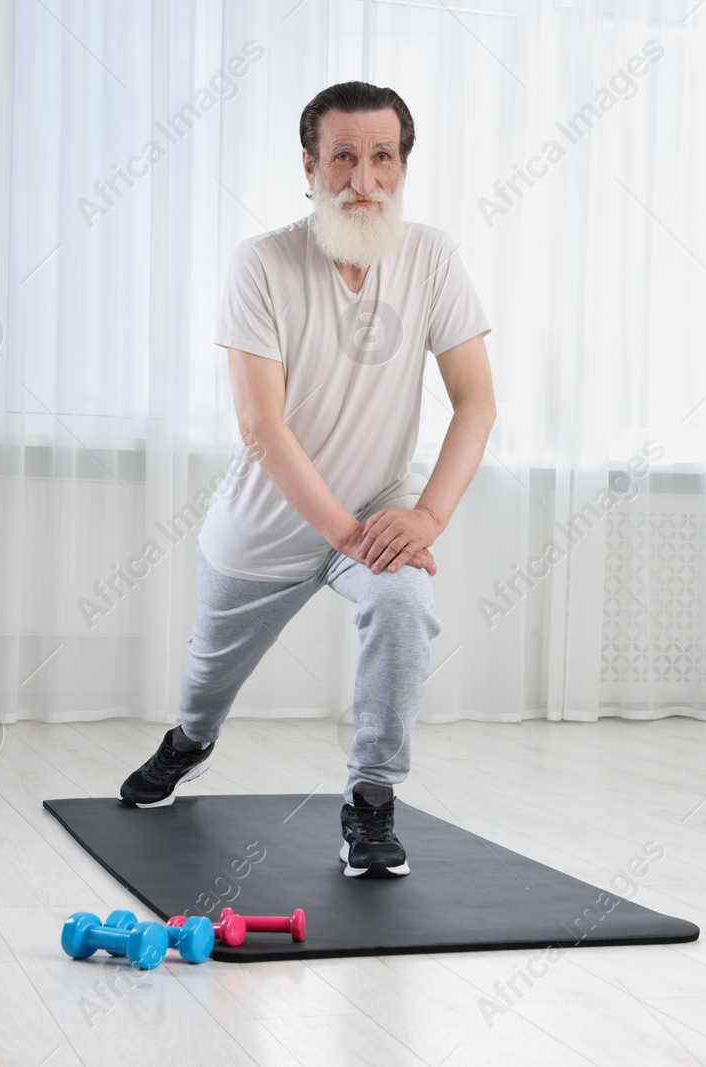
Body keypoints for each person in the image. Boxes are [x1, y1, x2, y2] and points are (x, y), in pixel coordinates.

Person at [118, 80, 496, 879]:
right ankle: (187, 740)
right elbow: (262, 426)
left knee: (404, 599)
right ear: (310, 165)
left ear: (402, 166)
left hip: (376, 516)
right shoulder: (262, 264)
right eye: (344, 158)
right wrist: (348, 534)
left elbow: (477, 400)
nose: (365, 179)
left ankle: (371, 798)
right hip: (266, 528)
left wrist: (423, 519)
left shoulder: (432, 257)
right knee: (204, 685)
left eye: (383, 157)